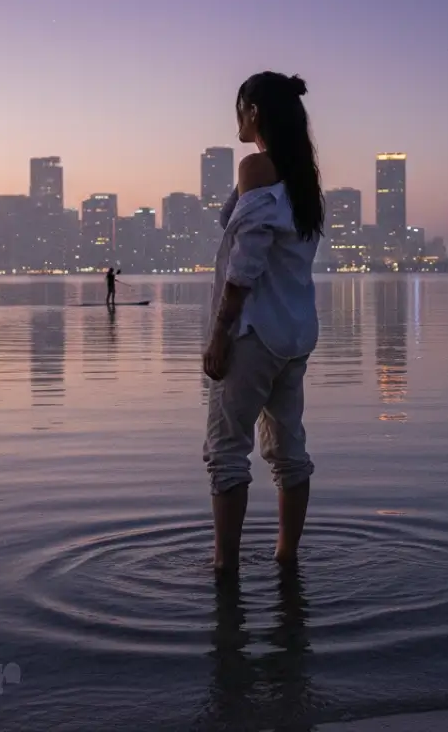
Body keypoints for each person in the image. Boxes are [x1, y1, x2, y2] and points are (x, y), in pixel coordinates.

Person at [202, 71, 324, 574]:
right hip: (293, 336)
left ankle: (225, 569)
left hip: (252, 335)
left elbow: (245, 262)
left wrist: (220, 334)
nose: (236, 119)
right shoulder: (303, 182)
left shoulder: (257, 166)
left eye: (239, 109)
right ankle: (286, 560)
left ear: (253, 112)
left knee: (227, 451)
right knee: (288, 451)